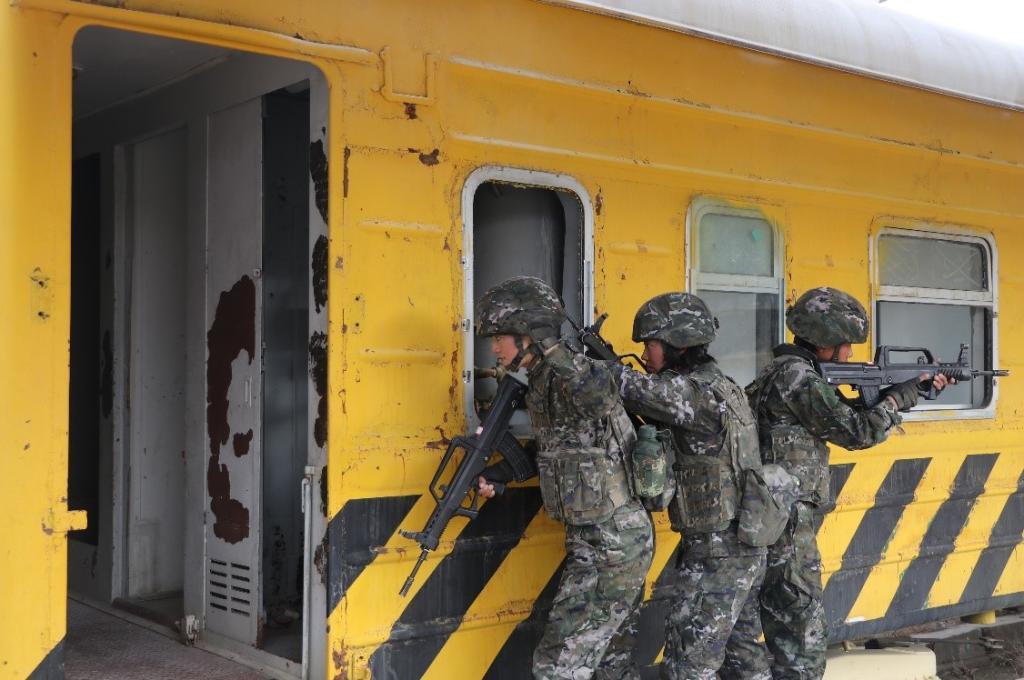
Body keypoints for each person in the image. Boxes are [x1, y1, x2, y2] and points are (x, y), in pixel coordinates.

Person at [746, 287, 951, 680]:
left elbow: (833, 414)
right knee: (801, 631)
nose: (850, 353)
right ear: (826, 342)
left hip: (774, 513)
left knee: (786, 621)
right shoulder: (798, 378)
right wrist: (895, 401)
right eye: (846, 345)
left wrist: (902, 394)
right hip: (787, 523)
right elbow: (857, 431)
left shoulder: (785, 371)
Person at [474, 275, 654, 680]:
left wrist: (554, 351)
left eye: (499, 338)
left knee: (558, 666)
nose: (494, 348)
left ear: (528, 335)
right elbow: (560, 447)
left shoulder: (574, 373)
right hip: (600, 539)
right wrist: (503, 473)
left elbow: (601, 398)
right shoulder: (542, 381)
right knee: (611, 665)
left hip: (612, 543)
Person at [606, 292, 772, 680]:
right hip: (741, 546)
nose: (645, 355)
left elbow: (630, 388)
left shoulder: (694, 393)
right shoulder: (724, 385)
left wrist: (588, 361)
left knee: (689, 663)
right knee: (743, 657)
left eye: (650, 345)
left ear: (678, 344)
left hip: (718, 552)